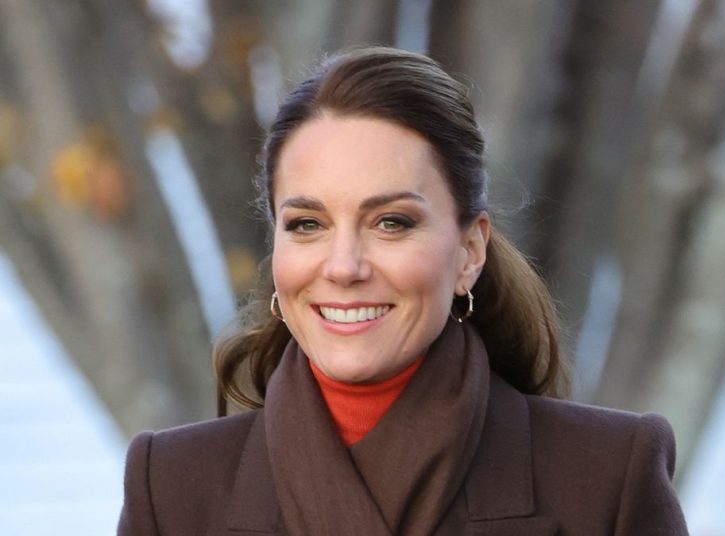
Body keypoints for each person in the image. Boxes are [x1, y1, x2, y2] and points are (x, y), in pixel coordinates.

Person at [117, 47, 688, 535]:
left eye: (391, 222)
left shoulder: (609, 475)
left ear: (469, 251)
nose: (343, 267)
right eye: (307, 225)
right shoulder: (171, 486)